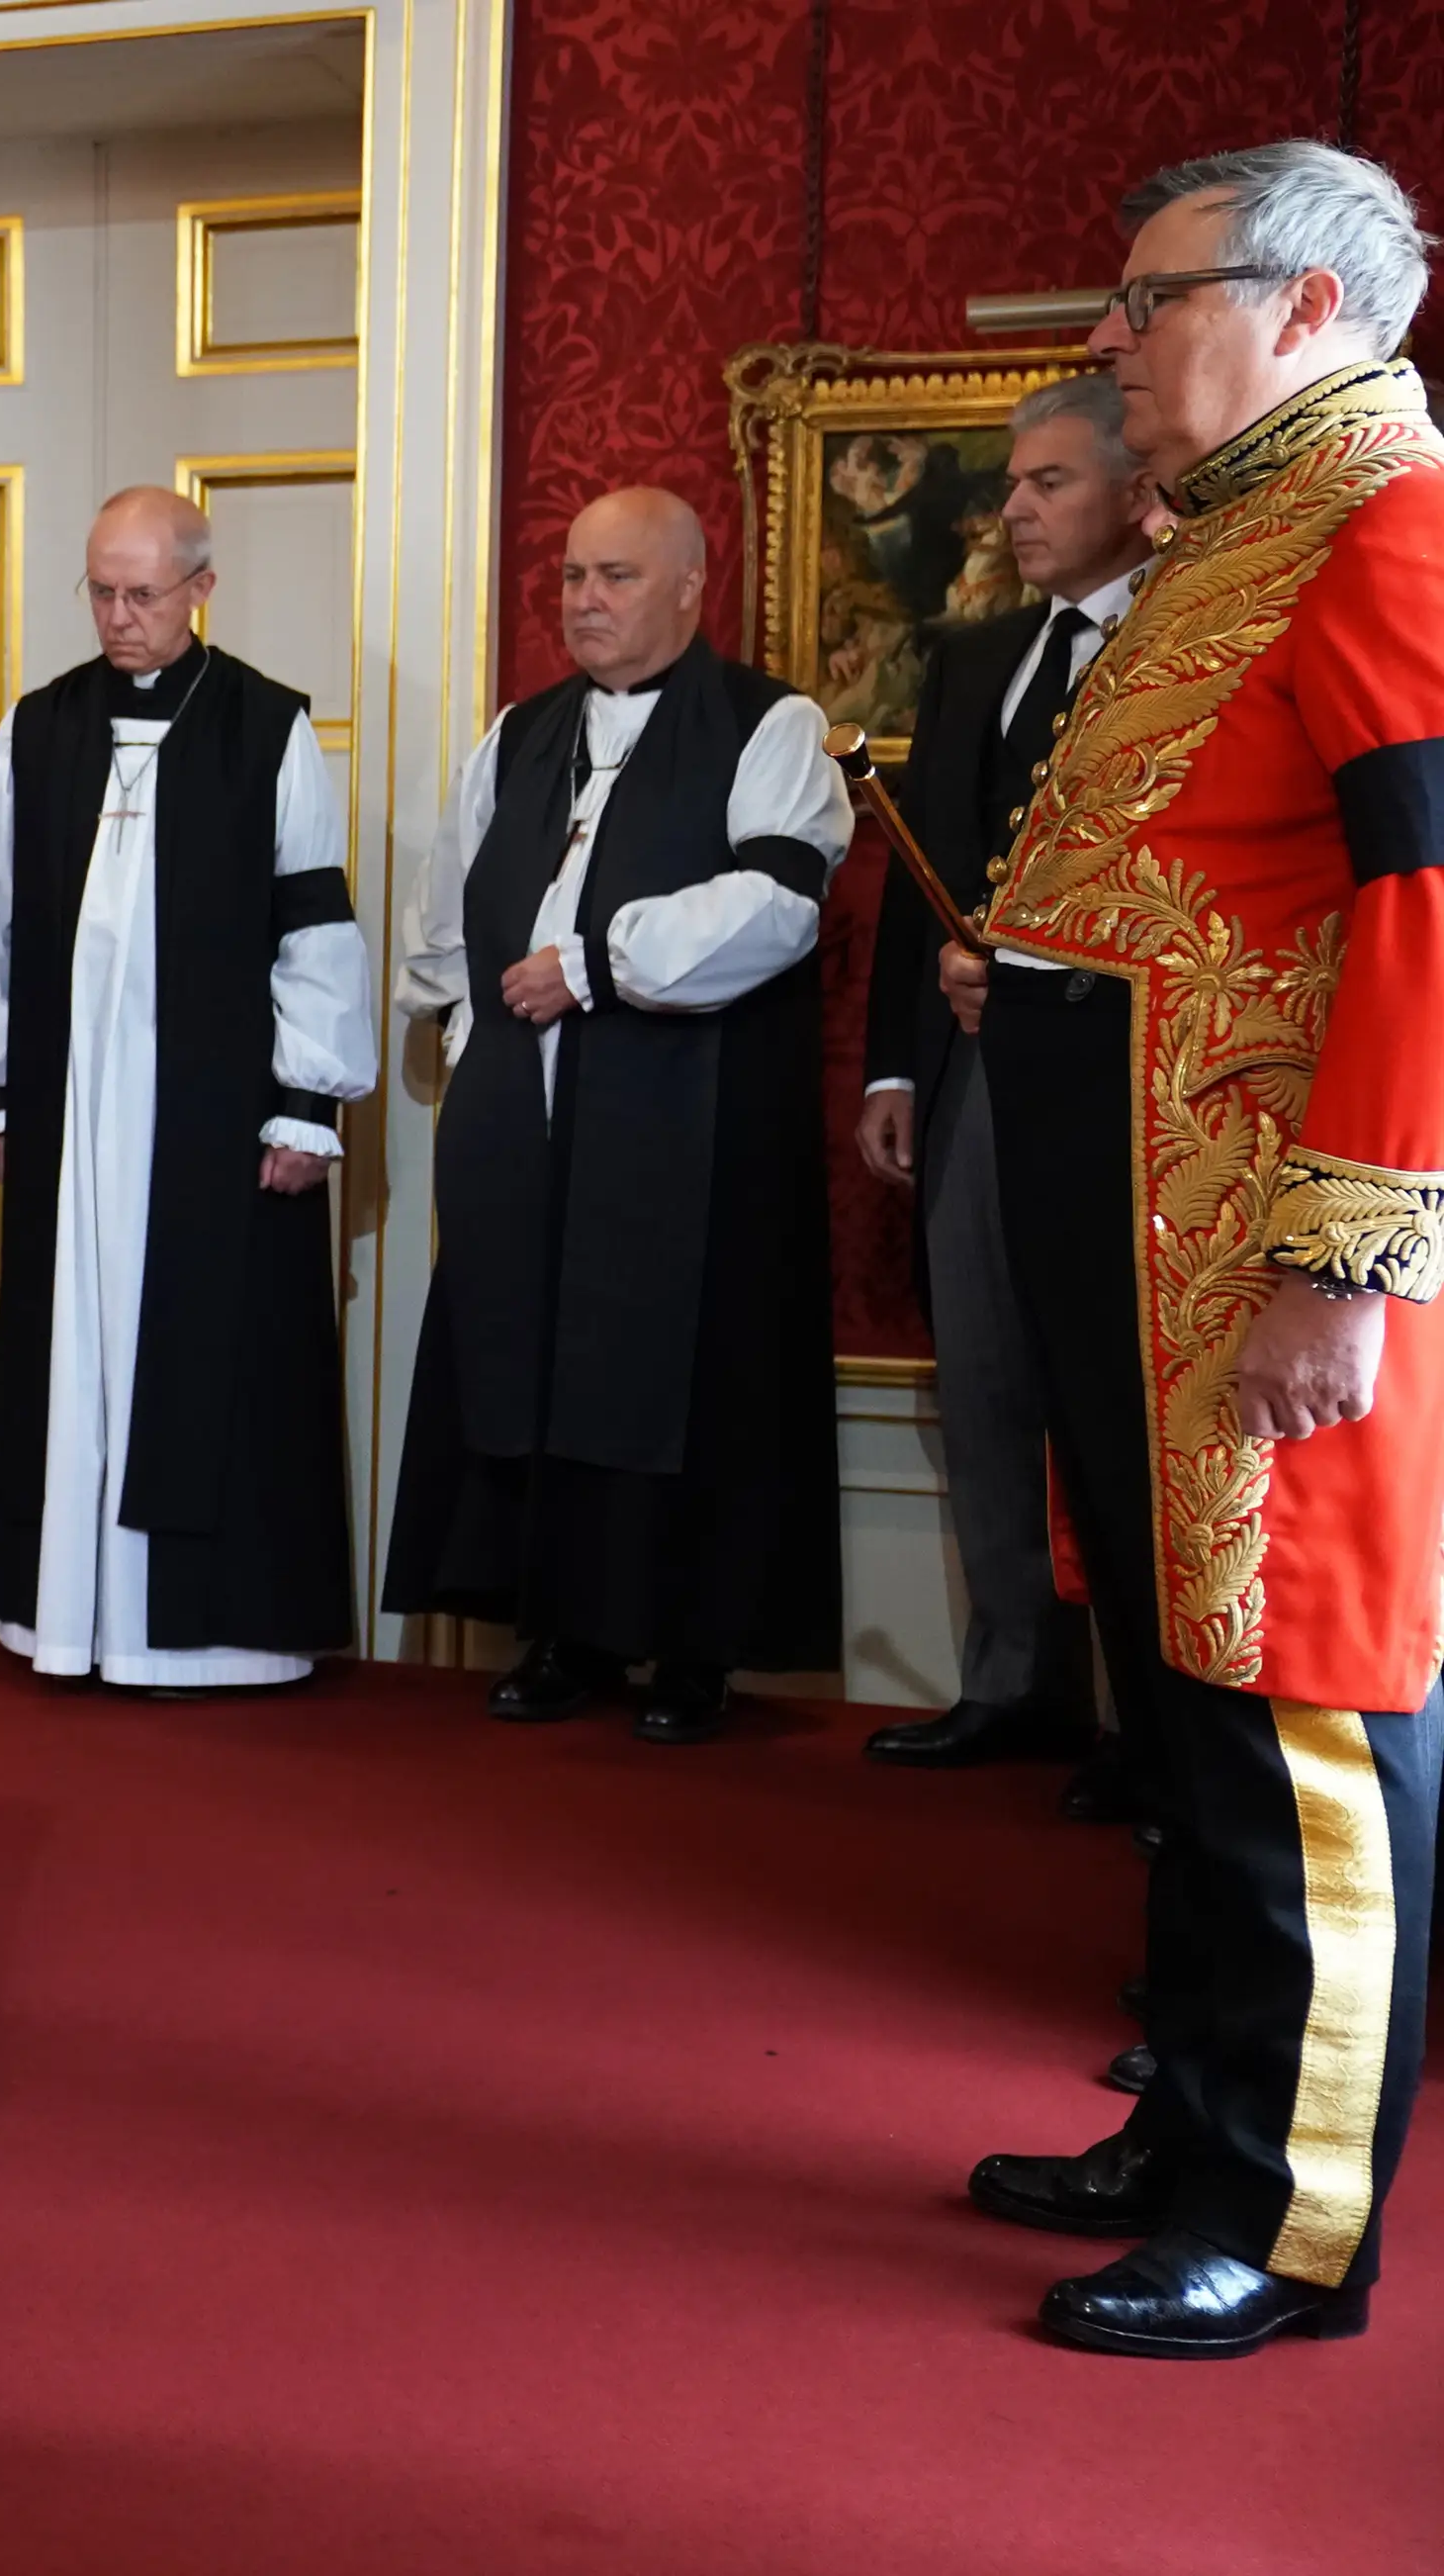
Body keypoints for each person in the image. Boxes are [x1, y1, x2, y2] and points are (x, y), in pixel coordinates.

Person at [952, 139, 1442, 2361]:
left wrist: (1343, 1264)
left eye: (1152, 301)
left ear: (1316, 309)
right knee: (1188, 1718)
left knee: (1297, 1717)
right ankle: (1196, 2127)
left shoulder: (1393, 522)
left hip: (1268, 1246)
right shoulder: (1239, 538)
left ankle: (1288, 2211)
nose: (1109, 341)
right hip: (1142, 1227)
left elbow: (1429, 921)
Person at [383, 488, 855, 1743]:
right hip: (522, 1117)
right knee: (530, 1347)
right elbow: (453, 901)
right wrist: (458, 1025)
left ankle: (690, 1648)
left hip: (678, 1109)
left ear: (694, 585)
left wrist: (597, 961)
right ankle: (562, 1629)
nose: (585, 602)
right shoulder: (519, 733)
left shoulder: (769, 725)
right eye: (574, 578)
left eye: (618, 578)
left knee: (673, 1358)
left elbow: (778, 901)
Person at [0, 488, 376, 1689]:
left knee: (210, 1347)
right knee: (73, 1344)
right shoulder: (38, 729)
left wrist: (307, 1101)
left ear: (202, 588)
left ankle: (213, 1637)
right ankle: (69, 1619)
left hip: (213, 1115)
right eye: (100, 591)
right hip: (72, 1108)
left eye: (143, 593)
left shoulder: (266, 728)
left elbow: (316, 925)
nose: (118, 617)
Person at [853, 376, 1155, 1772]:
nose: (1014, 509)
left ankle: (1139, 1721)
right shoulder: (975, 658)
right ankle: (1012, 1678)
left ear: (1134, 489)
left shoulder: (1185, 640)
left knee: (1115, 1389)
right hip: (972, 1071)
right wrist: (891, 1072)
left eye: (1049, 484)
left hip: (1126, 1084)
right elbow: (919, 885)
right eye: (1010, 487)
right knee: (982, 1371)